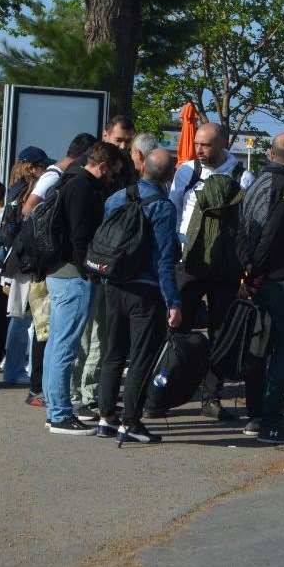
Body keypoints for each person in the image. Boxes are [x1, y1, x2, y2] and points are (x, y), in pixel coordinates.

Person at [170, 122, 256, 420]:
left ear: (222, 145)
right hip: (188, 261)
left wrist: (246, 271)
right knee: (176, 326)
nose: (199, 150)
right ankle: (168, 389)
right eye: (197, 144)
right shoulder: (186, 171)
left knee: (221, 332)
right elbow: (174, 209)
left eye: (205, 145)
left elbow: (247, 223)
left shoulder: (242, 177)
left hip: (225, 266)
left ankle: (211, 396)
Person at [97, 148, 183, 443]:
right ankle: (130, 422)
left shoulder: (116, 197)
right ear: (170, 175)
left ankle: (106, 417)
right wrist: (173, 301)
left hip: (113, 284)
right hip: (144, 291)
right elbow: (164, 260)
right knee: (141, 358)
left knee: (113, 353)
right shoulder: (163, 206)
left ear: (142, 166)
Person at [40, 141, 120, 430]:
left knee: (56, 345)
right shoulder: (84, 188)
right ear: (101, 167)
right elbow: (81, 238)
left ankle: (55, 408)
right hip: (75, 276)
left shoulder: (67, 181)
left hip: (57, 272)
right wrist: (89, 272)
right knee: (65, 347)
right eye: (111, 174)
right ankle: (60, 414)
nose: (111, 180)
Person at [237, 132, 284, 445]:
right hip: (278, 280)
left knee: (258, 347)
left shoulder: (254, 184)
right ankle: (272, 421)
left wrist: (247, 269)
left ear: (269, 153)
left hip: (255, 277)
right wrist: (258, 271)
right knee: (282, 351)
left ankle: (255, 415)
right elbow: (273, 234)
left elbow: (241, 230)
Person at [0, 148, 46, 386]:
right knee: (22, 317)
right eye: (40, 166)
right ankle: (14, 369)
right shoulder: (28, 192)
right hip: (26, 261)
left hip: (16, 260)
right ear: (31, 168)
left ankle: (13, 366)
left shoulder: (13, 190)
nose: (44, 170)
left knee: (20, 316)